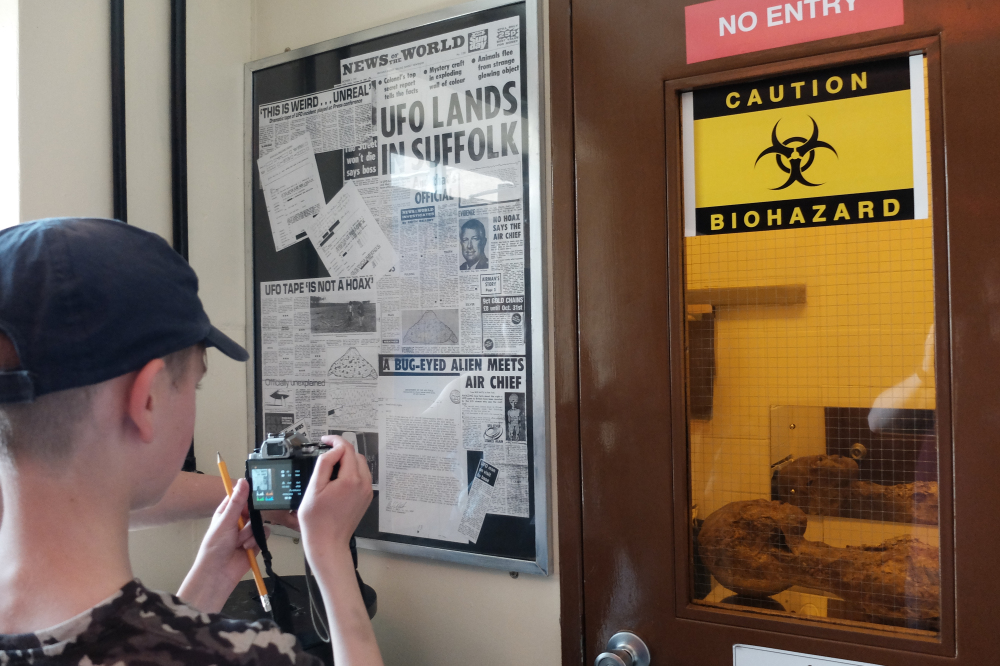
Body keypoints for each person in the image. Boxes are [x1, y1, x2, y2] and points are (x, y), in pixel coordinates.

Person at [0, 218, 383, 666]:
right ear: (146, 401)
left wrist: (209, 582)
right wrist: (331, 557)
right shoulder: (251, 657)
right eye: (195, 384)